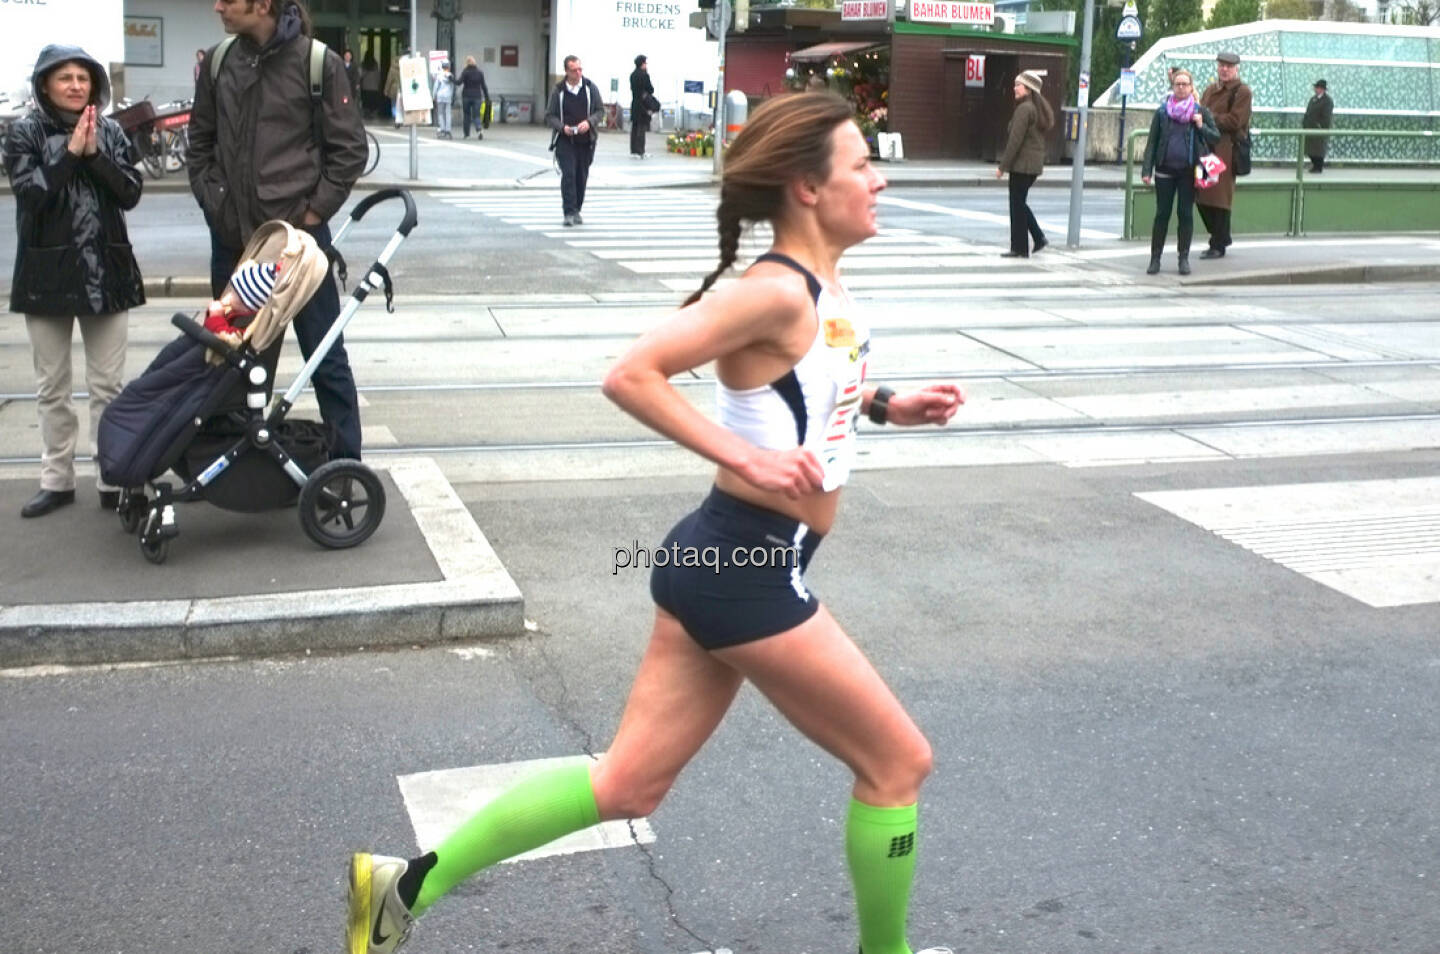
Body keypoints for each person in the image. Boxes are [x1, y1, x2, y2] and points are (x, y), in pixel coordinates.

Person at [345, 91, 965, 954]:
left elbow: (805, 396)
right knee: (898, 764)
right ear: (807, 188)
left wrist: (890, 405)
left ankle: (398, 888)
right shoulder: (777, 292)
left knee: (627, 784)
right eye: (863, 164)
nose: (881, 179)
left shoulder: (823, 287)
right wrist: (745, 459)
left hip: (719, 561)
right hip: (747, 566)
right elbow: (633, 373)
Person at [188, 0, 368, 461]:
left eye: (228, 0)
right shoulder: (219, 61)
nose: (217, 6)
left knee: (324, 356)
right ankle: (240, 465)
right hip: (234, 244)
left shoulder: (317, 63)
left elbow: (348, 150)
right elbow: (200, 145)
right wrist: (216, 205)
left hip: (299, 247)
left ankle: (345, 466)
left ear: (262, 4)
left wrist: (311, 214)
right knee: (237, 360)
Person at [4, 44, 145, 519]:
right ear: (45, 84)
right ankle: (56, 480)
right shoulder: (23, 132)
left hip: (107, 270)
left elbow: (130, 192)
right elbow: (31, 196)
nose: (75, 85)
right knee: (52, 387)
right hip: (47, 272)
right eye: (64, 77)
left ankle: (111, 477)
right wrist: (69, 155)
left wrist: (94, 157)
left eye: (83, 77)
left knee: (109, 385)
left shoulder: (109, 130)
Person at [1140, 69, 1219, 276]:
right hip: (1165, 170)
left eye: (1185, 84)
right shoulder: (1162, 112)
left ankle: (1183, 258)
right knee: (1161, 214)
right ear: (1173, 87)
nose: (1181, 87)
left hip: (1188, 172)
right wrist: (1147, 170)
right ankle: (1155, 258)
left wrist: (1201, 126)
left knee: (1185, 214)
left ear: (1191, 87)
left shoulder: (1199, 111)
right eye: (1178, 84)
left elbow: (1215, 137)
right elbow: (1152, 142)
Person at [1196, 51, 1251, 260]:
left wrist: (1209, 119)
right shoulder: (1211, 89)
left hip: (1226, 149)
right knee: (1202, 195)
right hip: (1207, 148)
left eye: (1229, 66)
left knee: (1220, 198)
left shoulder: (1242, 91)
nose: (1224, 69)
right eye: (1222, 65)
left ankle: (1218, 243)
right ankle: (1220, 237)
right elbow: (1199, 110)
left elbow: (1235, 121)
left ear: (1236, 68)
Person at [994, 69, 1051, 258]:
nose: (1014, 88)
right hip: (1031, 166)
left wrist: (1003, 166)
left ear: (1028, 89)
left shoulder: (1024, 109)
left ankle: (1021, 246)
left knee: (1017, 204)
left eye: (1018, 85)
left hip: (1022, 165)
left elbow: (1015, 141)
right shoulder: (1036, 108)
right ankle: (1033, 240)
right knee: (1020, 204)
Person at [544, 55, 605, 227]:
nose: (578, 73)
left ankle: (577, 208)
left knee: (581, 176)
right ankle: (568, 212)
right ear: (566, 71)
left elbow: (600, 111)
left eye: (580, 69)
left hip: (586, 141)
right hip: (565, 140)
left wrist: (589, 122)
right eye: (574, 70)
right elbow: (549, 115)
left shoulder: (590, 88)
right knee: (569, 175)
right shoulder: (559, 91)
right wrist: (562, 127)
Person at [456, 55, 490, 140]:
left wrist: (451, 79)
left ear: (467, 63)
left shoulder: (465, 72)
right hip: (477, 97)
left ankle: (466, 135)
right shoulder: (480, 72)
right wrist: (487, 97)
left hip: (466, 96)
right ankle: (479, 130)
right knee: (476, 115)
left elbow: (459, 82)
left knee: (467, 115)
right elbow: (484, 86)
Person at [1303, 79, 1333, 174]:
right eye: (1316, 87)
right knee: (1309, 148)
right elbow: (1308, 112)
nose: (1316, 89)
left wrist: (1320, 125)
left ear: (1322, 89)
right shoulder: (1313, 99)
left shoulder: (1327, 101)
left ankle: (1318, 166)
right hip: (1309, 127)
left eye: (1318, 88)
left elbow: (1327, 116)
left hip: (1318, 129)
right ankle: (1314, 164)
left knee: (1319, 148)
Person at [628, 53, 654, 158]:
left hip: (635, 103)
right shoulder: (644, 75)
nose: (646, 65)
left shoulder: (632, 75)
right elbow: (650, 89)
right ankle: (641, 151)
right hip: (643, 105)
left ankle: (634, 150)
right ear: (642, 64)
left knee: (634, 128)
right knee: (641, 128)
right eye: (645, 63)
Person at [431, 61, 454, 138]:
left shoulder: (439, 76)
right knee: (448, 113)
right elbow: (452, 87)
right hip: (448, 96)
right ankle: (448, 130)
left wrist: (433, 96)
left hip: (440, 97)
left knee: (440, 113)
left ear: (442, 67)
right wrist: (451, 95)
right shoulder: (451, 76)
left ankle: (442, 129)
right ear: (448, 67)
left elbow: (435, 87)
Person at [360, 54, 381, 119]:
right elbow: (378, 76)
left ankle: (367, 114)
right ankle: (372, 114)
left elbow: (361, 75)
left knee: (366, 102)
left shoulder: (363, 65)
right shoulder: (375, 65)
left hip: (365, 86)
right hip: (374, 87)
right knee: (372, 102)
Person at [385, 56, 401, 126]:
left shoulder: (392, 69)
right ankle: (401, 118)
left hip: (394, 88)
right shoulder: (404, 67)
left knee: (394, 104)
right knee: (401, 105)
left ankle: (395, 118)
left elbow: (389, 81)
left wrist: (386, 90)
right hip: (402, 88)